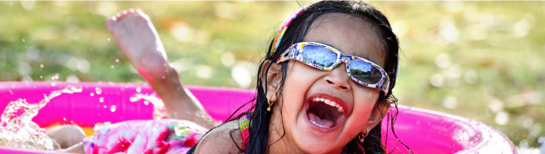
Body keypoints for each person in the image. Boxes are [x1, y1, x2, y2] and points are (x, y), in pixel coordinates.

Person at [56, 1, 407, 153]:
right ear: (273, 83)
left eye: (363, 71)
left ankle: (167, 81)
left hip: (211, 138)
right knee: (64, 145)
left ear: (373, 116)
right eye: (317, 56)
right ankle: (163, 78)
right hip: (157, 147)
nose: (338, 78)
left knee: (204, 128)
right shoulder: (223, 148)